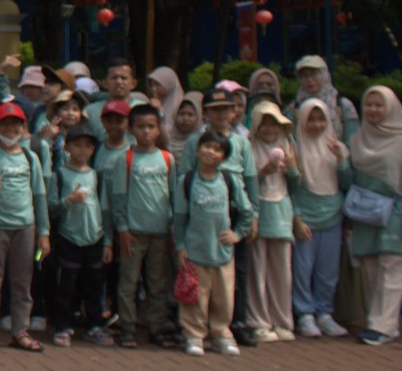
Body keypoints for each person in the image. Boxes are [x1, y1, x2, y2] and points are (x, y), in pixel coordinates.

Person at [347, 86, 402, 346]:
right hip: (365, 212)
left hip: (395, 212)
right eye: (369, 104)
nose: (373, 109)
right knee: (371, 269)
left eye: (379, 105)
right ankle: (377, 322)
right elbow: (350, 179)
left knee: (392, 267)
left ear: (391, 108)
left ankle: (383, 326)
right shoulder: (358, 139)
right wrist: (340, 160)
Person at [0, 102, 50, 352]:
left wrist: (44, 233)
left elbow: (39, 196)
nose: (10, 129)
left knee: (22, 282)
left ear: (23, 127)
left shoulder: (30, 157)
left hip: (25, 227)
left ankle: (20, 331)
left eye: (15, 124)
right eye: (4, 124)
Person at [173, 132, 256, 357]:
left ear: (223, 157)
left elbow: (246, 210)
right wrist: (180, 245)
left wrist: (238, 234)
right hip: (195, 250)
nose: (211, 152)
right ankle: (194, 334)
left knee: (224, 297)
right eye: (207, 146)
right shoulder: (187, 181)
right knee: (196, 296)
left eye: (217, 149)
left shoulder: (229, 181)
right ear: (198, 150)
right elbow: (179, 217)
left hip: (222, 252)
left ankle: (221, 334)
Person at [108, 103, 180, 349]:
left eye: (151, 126)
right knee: (128, 282)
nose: (146, 131)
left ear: (159, 129)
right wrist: (123, 228)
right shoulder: (125, 159)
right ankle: (127, 327)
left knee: (158, 283)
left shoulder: (167, 159)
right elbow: (118, 197)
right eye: (140, 127)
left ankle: (156, 326)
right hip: (133, 233)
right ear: (131, 129)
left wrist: (173, 227)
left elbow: (173, 195)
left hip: (160, 232)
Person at [290, 99, 353, 338]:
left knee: (328, 270)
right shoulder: (295, 149)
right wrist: (296, 218)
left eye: (321, 120)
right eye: (311, 120)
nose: (316, 125)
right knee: (303, 268)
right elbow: (291, 189)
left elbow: (346, 183)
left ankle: (324, 313)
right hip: (306, 216)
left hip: (332, 215)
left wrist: (342, 160)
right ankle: (304, 314)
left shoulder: (336, 147)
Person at [48, 124, 111, 347]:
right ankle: (63, 326)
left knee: (94, 286)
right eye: (77, 145)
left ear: (93, 149)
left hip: (94, 237)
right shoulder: (59, 175)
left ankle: (94, 326)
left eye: (87, 146)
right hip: (68, 238)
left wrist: (108, 241)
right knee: (66, 286)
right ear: (67, 147)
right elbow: (51, 208)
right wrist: (69, 201)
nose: (82, 150)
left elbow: (105, 210)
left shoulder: (96, 176)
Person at [245, 102, 299, 342]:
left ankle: (283, 321)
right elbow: (245, 183)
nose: (269, 129)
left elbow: (296, 184)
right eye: (264, 124)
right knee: (257, 269)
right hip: (259, 209)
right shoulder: (249, 146)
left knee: (282, 269)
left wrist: (292, 170)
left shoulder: (288, 144)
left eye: (274, 124)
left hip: (281, 208)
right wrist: (262, 172)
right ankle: (258, 321)